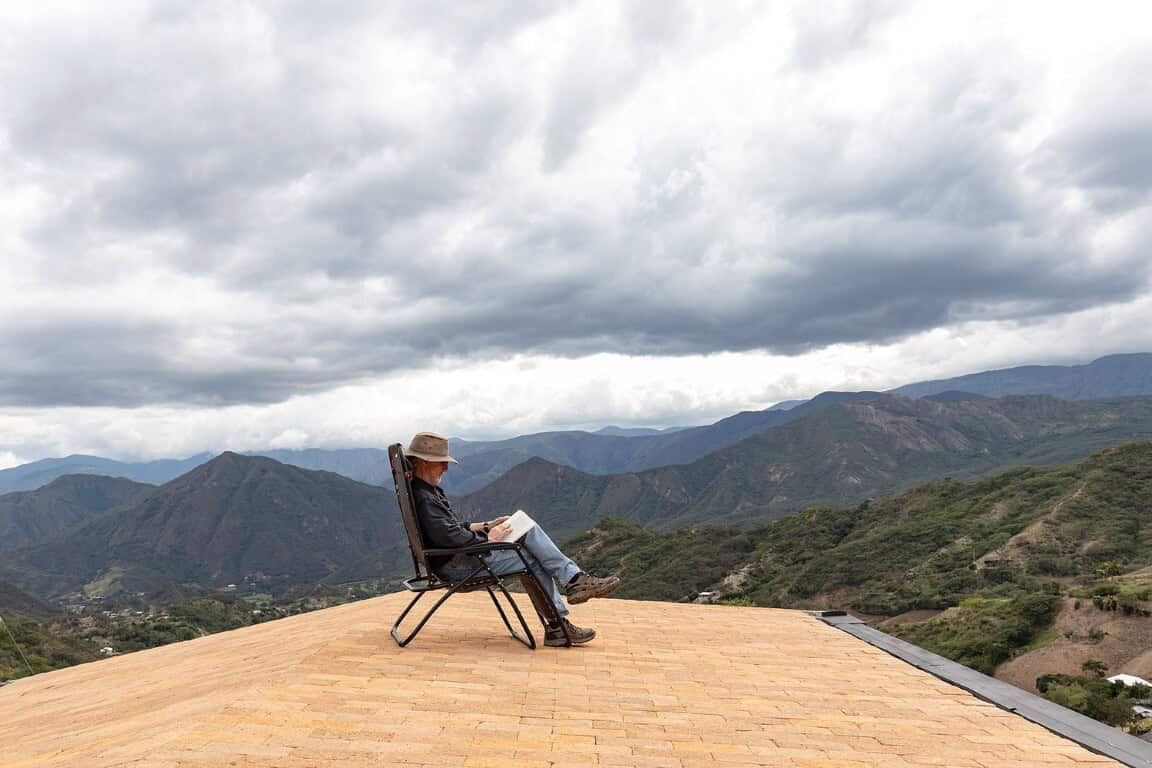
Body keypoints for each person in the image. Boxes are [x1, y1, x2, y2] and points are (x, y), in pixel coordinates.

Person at [404, 431, 620, 646]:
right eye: (441, 462)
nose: (446, 467)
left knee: (526, 528)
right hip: (458, 566)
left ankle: (571, 590)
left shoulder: (424, 491)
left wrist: (488, 525)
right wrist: (489, 540)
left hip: (456, 558)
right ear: (423, 462)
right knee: (528, 557)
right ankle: (562, 615)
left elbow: (450, 529)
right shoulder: (424, 498)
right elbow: (450, 537)